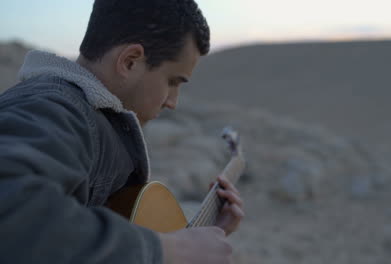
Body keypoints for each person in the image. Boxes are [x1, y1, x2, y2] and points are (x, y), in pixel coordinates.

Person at [0, 0, 244, 263]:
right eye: (173, 81)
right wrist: (168, 250)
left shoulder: (86, 113)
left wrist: (205, 234)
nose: (173, 101)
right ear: (130, 61)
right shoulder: (55, 109)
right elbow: (11, 207)